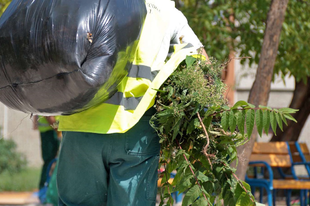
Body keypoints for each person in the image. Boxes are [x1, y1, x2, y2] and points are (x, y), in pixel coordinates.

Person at [56, 0, 209, 205]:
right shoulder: (166, 12)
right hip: (134, 128)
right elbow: (202, 63)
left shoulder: (87, 3)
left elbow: (55, 48)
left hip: (80, 126)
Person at [32, 116, 60, 192]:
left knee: (51, 161)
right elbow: (49, 116)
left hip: (50, 130)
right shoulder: (48, 104)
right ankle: (44, 188)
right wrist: (57, 129)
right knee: (49, 161)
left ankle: (46, 187)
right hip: (50, 131)